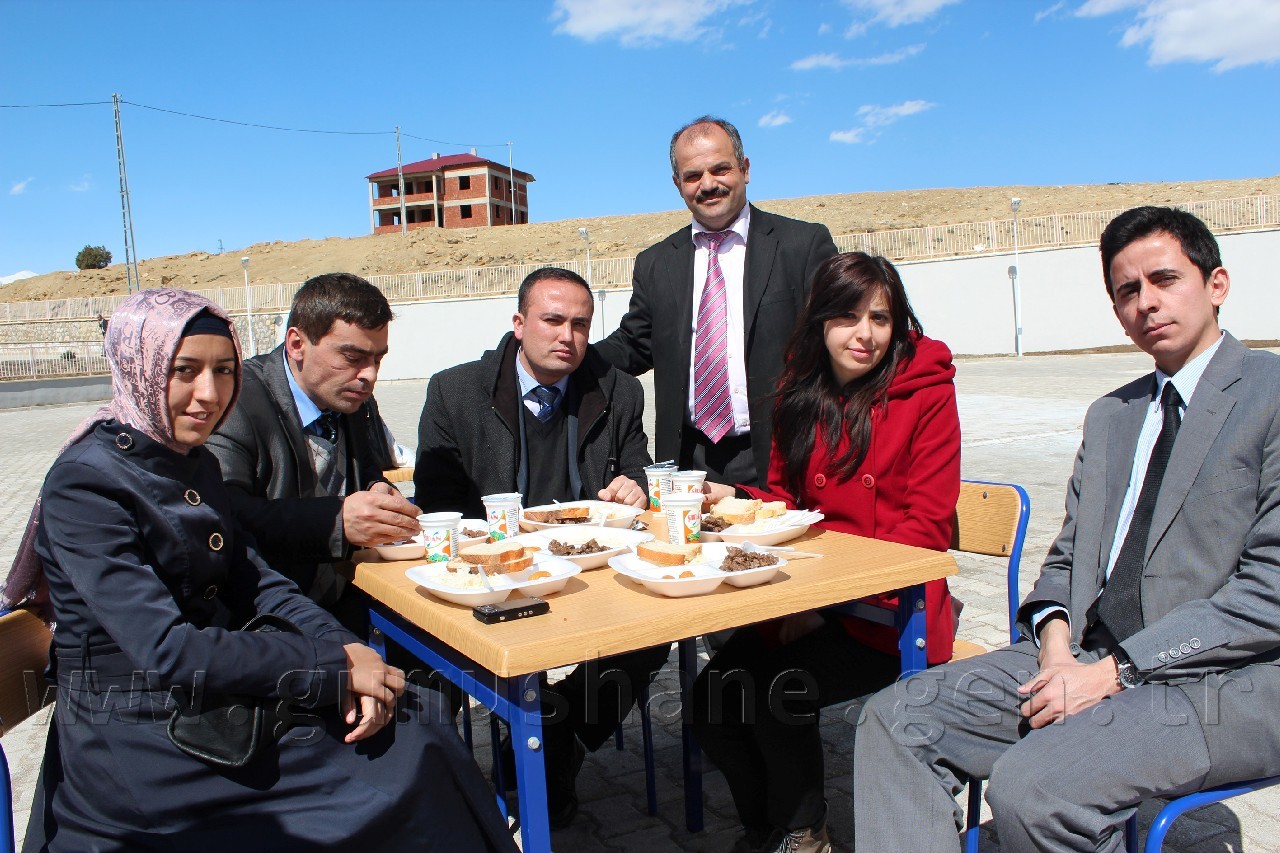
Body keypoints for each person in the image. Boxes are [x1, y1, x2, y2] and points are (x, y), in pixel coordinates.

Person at [2, 289, 515, 852]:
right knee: (400, 762)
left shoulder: (187, 460)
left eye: (224, 371)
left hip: (211, 701)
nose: (209, 394)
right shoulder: (87, 483)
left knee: (421, 719)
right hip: (139, 736)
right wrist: (330, 666)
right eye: (185, 371)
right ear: (138, 367)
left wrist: (349, 650)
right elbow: (169, 652)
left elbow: (258, 579)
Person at [854, 206, 1280, 852]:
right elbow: (1070, 556)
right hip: (1081, 655)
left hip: (1222, 681)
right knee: (894, 717)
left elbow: (1270, 593)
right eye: (1127, 291)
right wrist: (1056, 646)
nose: (1148, 303)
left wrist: (1117, 671)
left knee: (1035, 786)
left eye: (1165, 279)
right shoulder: (1113, 415)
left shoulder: (1268, 395)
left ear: (1216, 284)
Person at [693, 252, 960, 852]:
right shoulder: (799, 392)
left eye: (881, 318)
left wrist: (826, 602)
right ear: (820, 321)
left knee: (774, 691)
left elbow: (927, 529)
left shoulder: (926, 394)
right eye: (846, 316)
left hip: (895, 613)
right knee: (710, 702)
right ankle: (767, 828)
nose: (864, 334)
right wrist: (732, 495)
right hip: (812, 597)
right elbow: (785, 502)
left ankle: (805, 835)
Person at [415, 266, 669, 828]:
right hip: (501, 573)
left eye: (581, 324)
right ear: (518, 324)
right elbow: (441, 504)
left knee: (654, 631)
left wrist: (636, 486)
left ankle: (557, 739)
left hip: (592, 569)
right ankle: (524, 763)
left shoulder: (619, 391)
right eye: (553, 321)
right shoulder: (455, 391)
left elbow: (638, 471)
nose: (568, 337)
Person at [595, 116, 838, 487]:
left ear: (745, 169)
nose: (708, 184)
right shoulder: (656, 262)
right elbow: (635, 344)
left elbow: (836, 333)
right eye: (693, 176)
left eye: (720, 169)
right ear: (678, 185)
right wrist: (568, 356)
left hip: (780, 455)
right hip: (688, 460)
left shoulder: (802, 246)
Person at [206, 272, 420, 631]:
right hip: (261, 618)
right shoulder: (236, 401)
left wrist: (377, 492)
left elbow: (368, 472)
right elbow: (222, 517)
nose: (369, 375)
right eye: (352, 357)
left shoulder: (355, 401)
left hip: (349, 601)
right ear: (296, 344)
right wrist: (336, 522)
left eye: (377, 360)